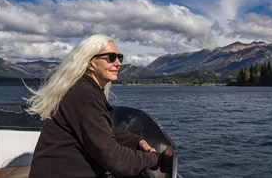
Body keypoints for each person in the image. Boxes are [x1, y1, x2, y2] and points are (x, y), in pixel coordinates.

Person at [27, 34, 169, 178]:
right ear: (90, 62)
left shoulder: (82, 89)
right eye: (111, 57)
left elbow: (101, 130)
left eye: (119, 57)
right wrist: (155, 158)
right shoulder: (84, 94)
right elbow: (114, 159)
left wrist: (136, 141)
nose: (118, 63)